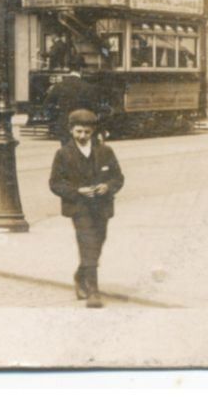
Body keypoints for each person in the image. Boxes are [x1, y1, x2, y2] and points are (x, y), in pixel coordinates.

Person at [48, 108, 124, 308]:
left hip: (102, 207)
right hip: (79, 208)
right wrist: (77, 191)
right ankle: (93, 291)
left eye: (87, 132)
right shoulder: (63, 154)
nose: (82, 136)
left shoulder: (105, 151)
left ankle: (81, 274)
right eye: (78, 131)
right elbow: (55, 183)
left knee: (98, 243)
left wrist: (107, 186)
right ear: (71, 130)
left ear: (93, 132)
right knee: (88, 244)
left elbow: (118, 177)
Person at [44, 70, 95, 145]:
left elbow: (47, 103)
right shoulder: (87, 86)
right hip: (81, 123)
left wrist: (56, 116)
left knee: (66, 150)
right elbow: (93, 107)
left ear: (69, 71)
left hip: (64, 122)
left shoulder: (59, 85)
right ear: (80, 71)